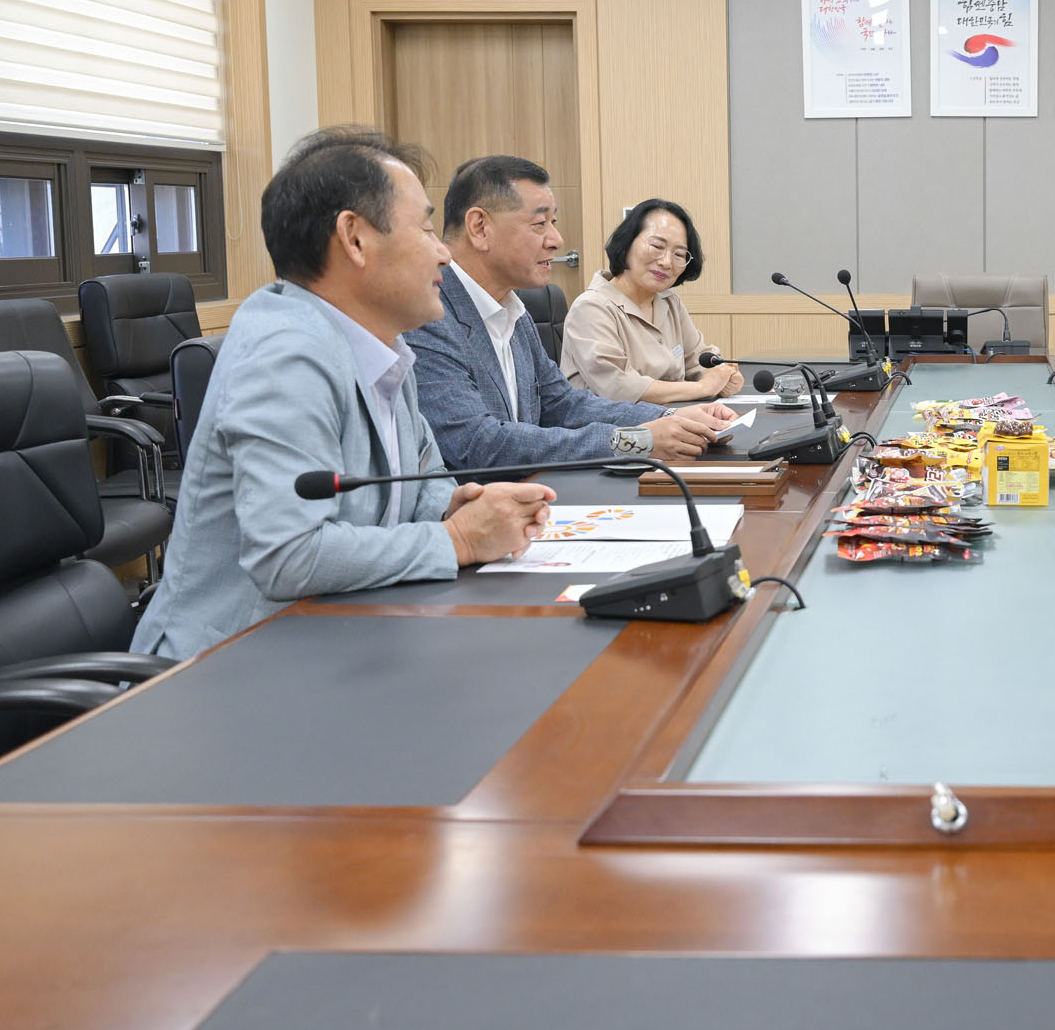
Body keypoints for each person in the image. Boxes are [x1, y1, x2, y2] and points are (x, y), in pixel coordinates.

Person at [133, 128, 555, 661]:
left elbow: (418, 484)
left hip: (337, 635)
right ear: (354, 239)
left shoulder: (385, 344)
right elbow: (288, 555)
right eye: (426, 229)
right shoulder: (285, 354)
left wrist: (460, 503)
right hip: (230, 664)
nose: (444, 254)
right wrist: (461, 539)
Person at [406, 155, 736, 472]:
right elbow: (478, 444)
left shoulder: (513, 311)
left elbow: (562, 404)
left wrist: (669, 419)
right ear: (480, 227)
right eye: (539, 224)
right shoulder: (427, 316)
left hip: (539, 489)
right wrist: (636, 441)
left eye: (553, 223)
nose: (556, 240)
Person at [560, 198, 743, 404]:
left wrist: (724, 376)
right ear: (627, 243)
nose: (666, 262)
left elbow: (700, 360)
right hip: (613, 423)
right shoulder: (591, 308)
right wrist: (703, 387)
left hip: (673, 415)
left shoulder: (670, 302)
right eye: (657, 246)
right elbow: (619, 387)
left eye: (679, 254)